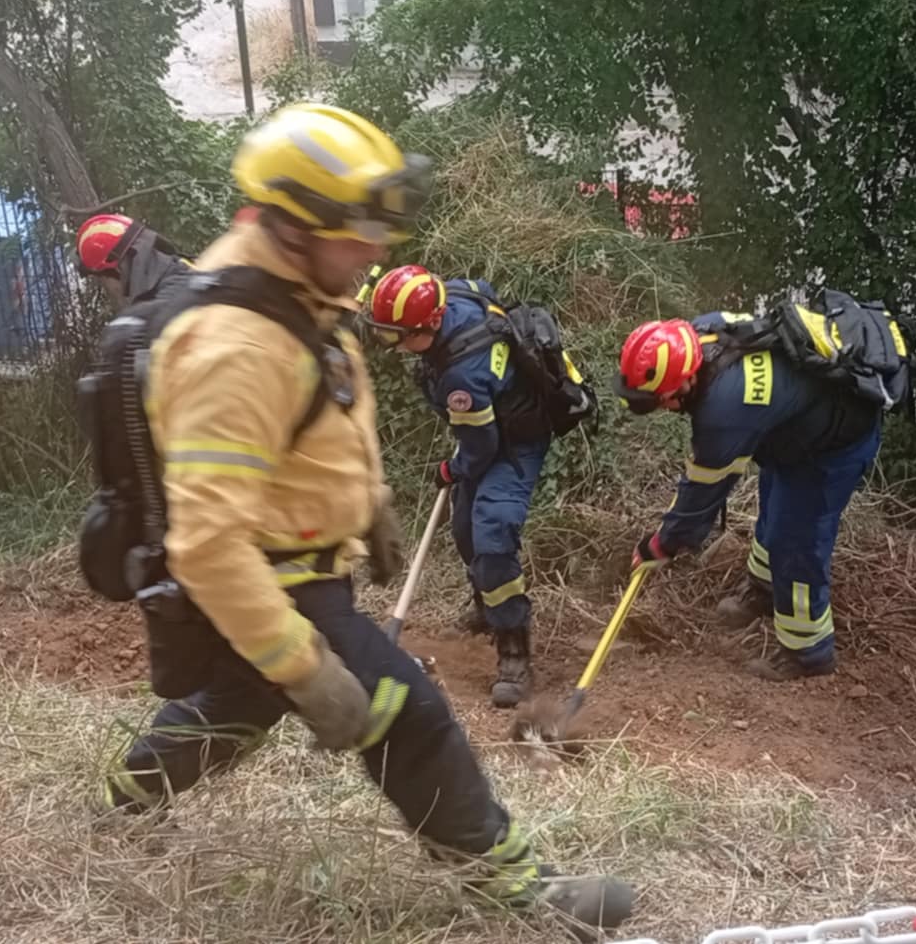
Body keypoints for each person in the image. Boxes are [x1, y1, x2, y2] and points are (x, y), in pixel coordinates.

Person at [102, 103, 634, 934]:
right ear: (287, 224)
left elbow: (321, 420)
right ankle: (518, 889)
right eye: (358, 232)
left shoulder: (301, 291)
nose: (376, 250)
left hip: (307, 563)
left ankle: (127, 795)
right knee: (408, 716)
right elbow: (207, 543)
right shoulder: (237, 346)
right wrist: (302, 661)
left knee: (236, 706)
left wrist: (367, 508)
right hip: (270, 584)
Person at [618, 311, 888, 680]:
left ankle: (807, 651)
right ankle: (763, 590)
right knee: (774, 507)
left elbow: (701, 496)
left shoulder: (725, 411)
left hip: (834, 443)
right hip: (788, 427)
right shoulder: (700, 334)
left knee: (796, 539)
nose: (659, 409)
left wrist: (662, 544)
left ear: (683, 381)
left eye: (657, 401)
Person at [364, 264, 550, 707]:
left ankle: (513, 648)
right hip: (488, 425)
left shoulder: (464, 375)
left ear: (429, 323)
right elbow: (483, 288)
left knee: (491, 534)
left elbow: (480, 445)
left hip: (515, 440)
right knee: (464, 526)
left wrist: (454, 468)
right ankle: (487, 605)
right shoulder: (450, 296)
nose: (395, 345)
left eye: (399, 335)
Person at [75, 212, 190, 308]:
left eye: (102, 279)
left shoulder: (147, 321)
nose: (109, 290)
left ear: (118, 271)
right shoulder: (187, 267)